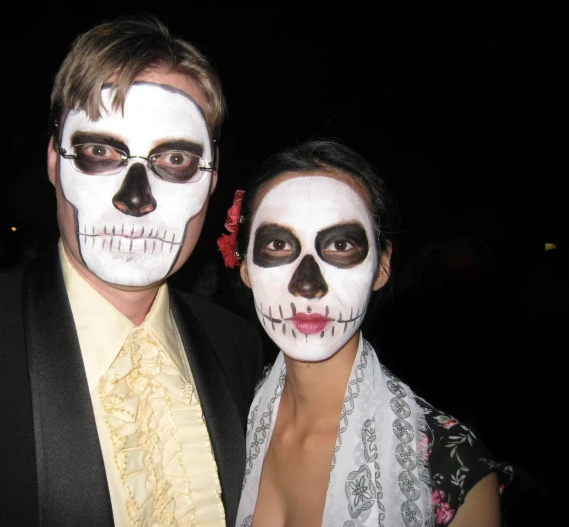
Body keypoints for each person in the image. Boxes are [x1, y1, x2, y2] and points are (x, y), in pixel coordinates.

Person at [0, 15, 264, 526]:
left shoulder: (236, 347)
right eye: (100, 151)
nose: (134, 199)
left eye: (173, 158)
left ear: (212, 179)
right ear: (55, 163)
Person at [216, 140, 510, 526]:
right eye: (278, 243)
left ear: (382, 266)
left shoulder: (449, 467)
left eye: (340, 244)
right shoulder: (226, 420)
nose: (308, 285)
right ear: (245, 268)